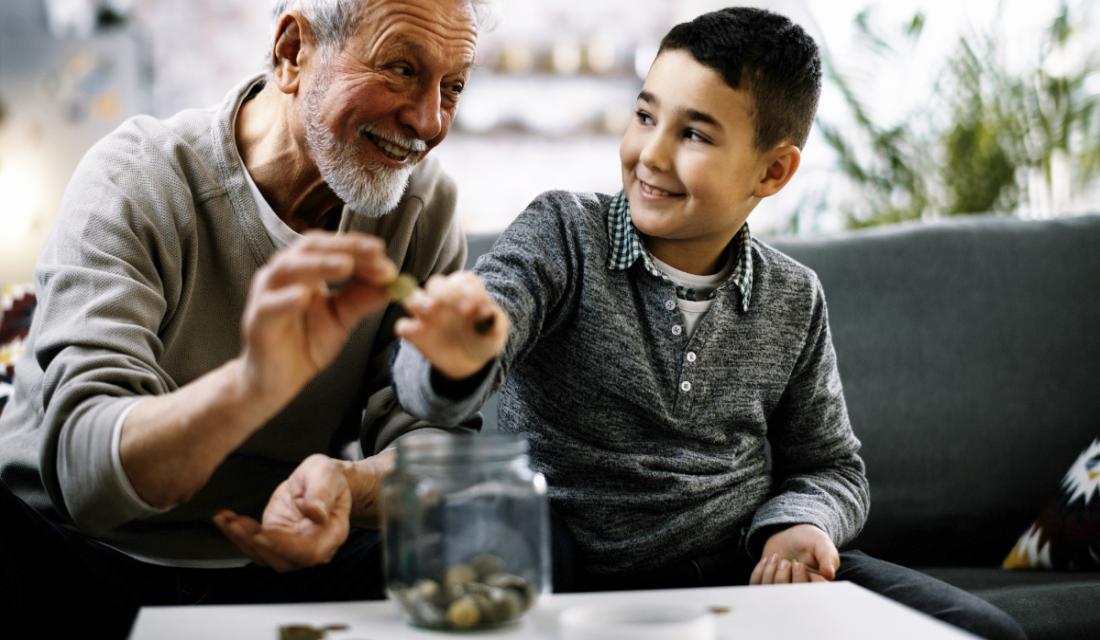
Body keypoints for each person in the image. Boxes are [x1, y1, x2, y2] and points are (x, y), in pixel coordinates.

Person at [390, 7, 1027, 640]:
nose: (651, 155)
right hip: (575, 572)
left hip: (747, 571)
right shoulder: (562, 234)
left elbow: (832, 467)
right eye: (645, 116)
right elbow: (441, 378)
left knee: (981, 631)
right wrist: (453, 358)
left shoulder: (794, 297)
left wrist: (800, 527)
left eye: (693, 134)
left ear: (772, 171)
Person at [0, 0, 485, 636]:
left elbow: (438, 445)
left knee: (494, 539)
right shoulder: (138, 179)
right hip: (80, 556)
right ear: (292, 52)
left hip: (286, 566)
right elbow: (86, 479)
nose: (429, 121)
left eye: (452, 87)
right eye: (399, 69)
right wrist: (252, 386)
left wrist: (348, 487)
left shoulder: (422, 208)